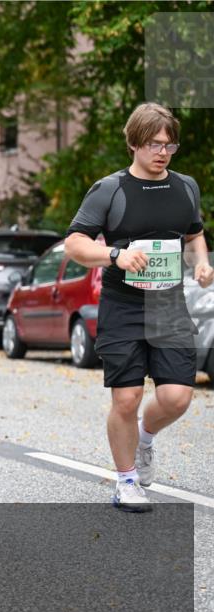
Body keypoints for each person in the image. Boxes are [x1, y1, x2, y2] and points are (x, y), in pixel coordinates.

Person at [65, 102, 212, 512]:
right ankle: (126, 480)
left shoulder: (186, 186)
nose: (162, 152)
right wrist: (115, 255)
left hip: (169, 306)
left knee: (178, 397)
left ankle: (145, 438)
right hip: (123, 305)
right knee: (126, 399)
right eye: (153, 144)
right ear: (133, 143)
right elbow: (75, 243)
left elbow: (195, 234)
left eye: (169, 145)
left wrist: (201, 262)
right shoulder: (109, 189)